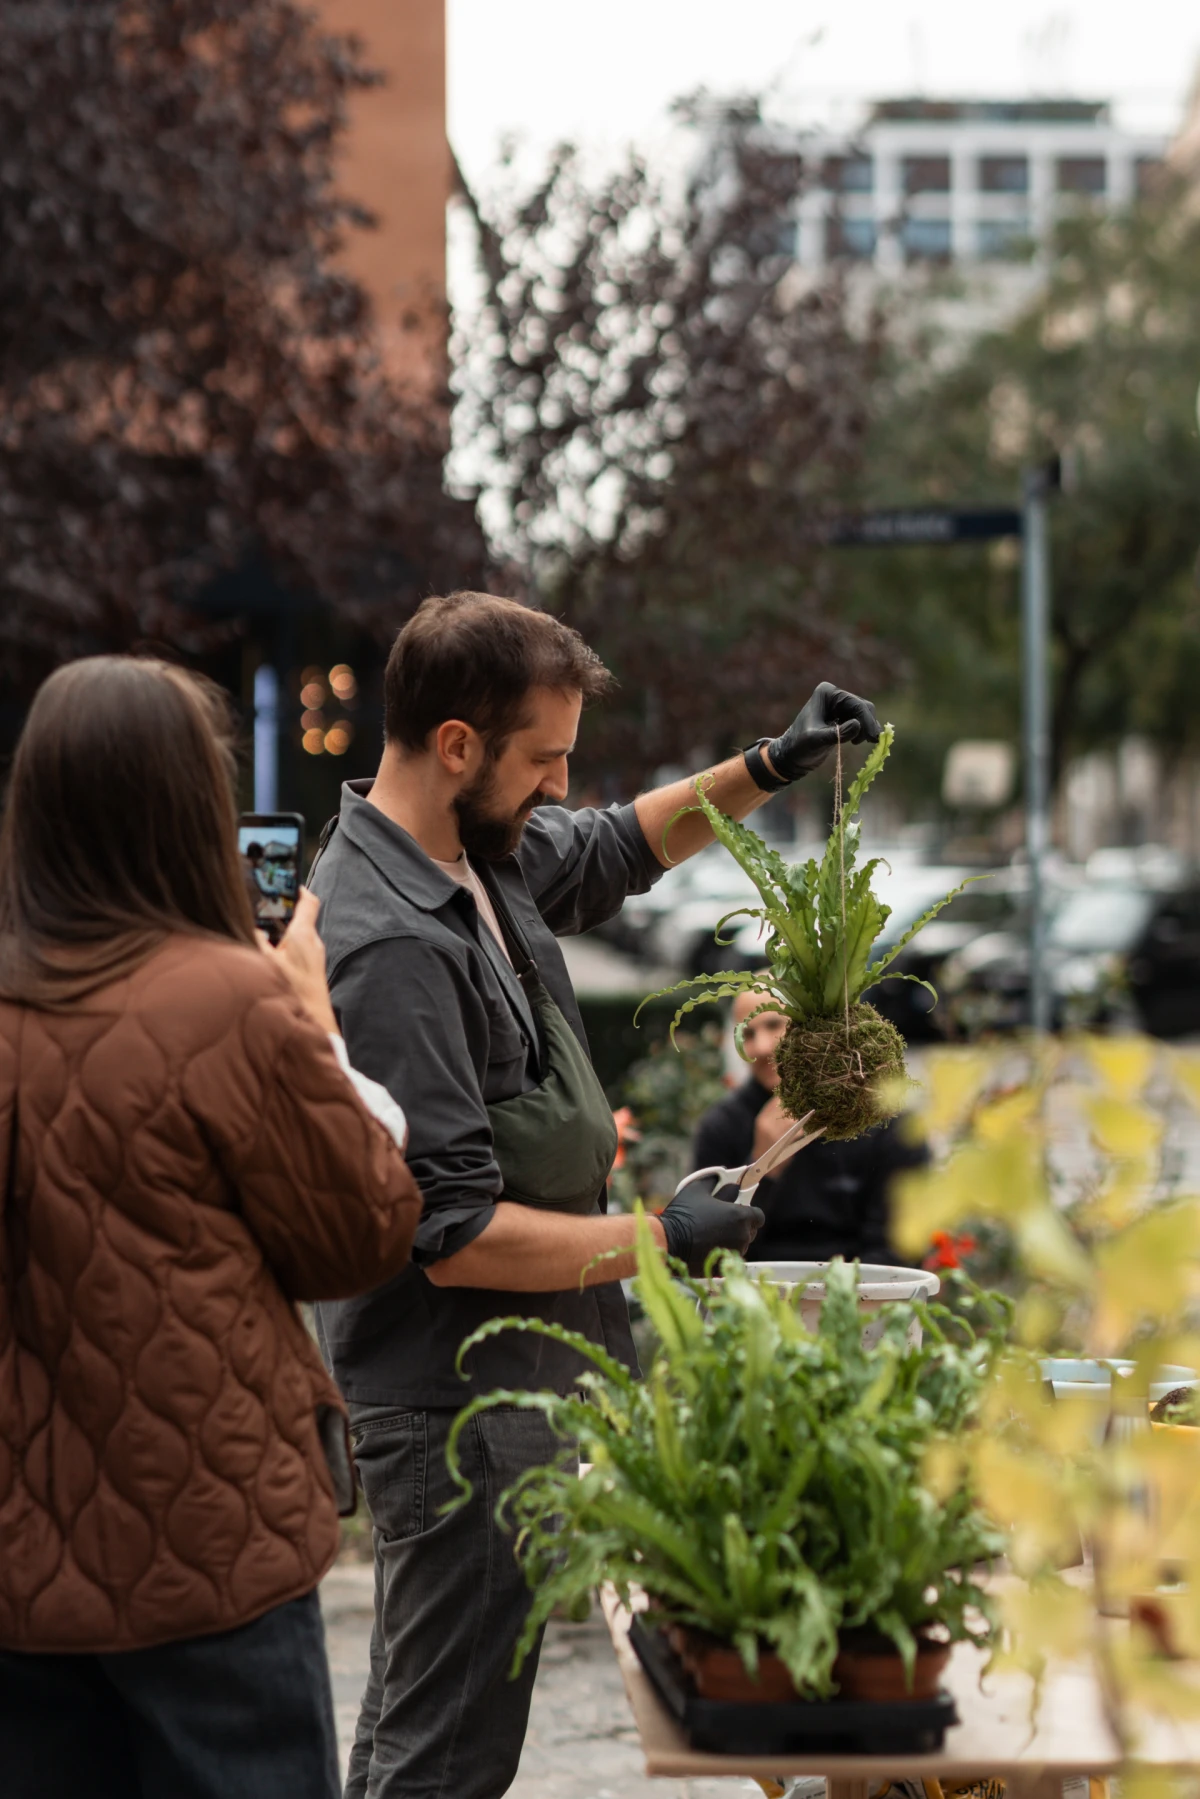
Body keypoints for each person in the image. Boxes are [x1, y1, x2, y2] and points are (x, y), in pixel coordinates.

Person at [308, 589, 880, 1799]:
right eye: (543, 758)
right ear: (455, 744)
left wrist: (772, 762)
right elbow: (455, 1236)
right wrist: (660, 1236)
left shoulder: (474, 849)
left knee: (421, 1732)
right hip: (458, 1410)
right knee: (445, 1754)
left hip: (502, 1386)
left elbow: (623, 841)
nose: (561, 784)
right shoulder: (391, 940)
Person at [0, 657, 425, 1799]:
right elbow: (363, 1234)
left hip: (20, 1581)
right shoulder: (229, 1001)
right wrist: (314, 1021)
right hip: (212, 1554)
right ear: (189, 804)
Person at [691, 986, 928, 1266]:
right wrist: (761, 1167)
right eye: (747, 1034)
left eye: (773, 1025)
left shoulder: (885, 1121)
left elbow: (901, 1245)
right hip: (758, 1285)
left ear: (811, 1028)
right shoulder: (722, 1125)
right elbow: (707, 1248)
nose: (762, 1047)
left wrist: (840, 1289)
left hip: (861, 1285)